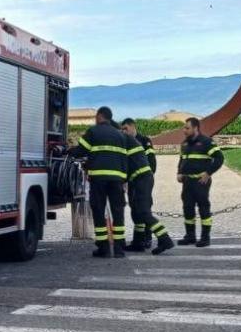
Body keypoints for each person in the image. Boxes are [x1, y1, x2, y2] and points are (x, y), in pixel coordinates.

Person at [70, 106, 129, 258]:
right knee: (118, 212)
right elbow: (125, 159)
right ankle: (119, 248)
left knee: (98, 211)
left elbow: (81, 151)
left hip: (99, 180)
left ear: (99, 116)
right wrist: (124, 179)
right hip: (117, 180)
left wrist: (67, 151)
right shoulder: (120, 135)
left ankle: (103, 247)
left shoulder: (93, 131)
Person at [121, 118, 173, 255]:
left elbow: (151, 162)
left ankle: (164, 239)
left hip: (142, 179)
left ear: (133, 126)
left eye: (126, 128)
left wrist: (146, 177)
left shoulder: (144, 140)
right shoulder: (126, 142)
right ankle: (138, 242)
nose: (124, 131)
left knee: (144, 211)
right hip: (135, 180)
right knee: (136, 212)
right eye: (122, 129)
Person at [176, 117, 224, 247]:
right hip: (187, 182)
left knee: (203, 209)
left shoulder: (206, 142)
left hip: (200, 182)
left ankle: (205, 238)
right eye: (184, 128)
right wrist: (179, 172)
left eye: (187, 128)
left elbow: (219, 158)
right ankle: (190, 236)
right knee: (187, 209)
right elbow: (182, 160)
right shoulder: (184, 144)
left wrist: (208, 173)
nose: (184, 130)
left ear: (195, 128)